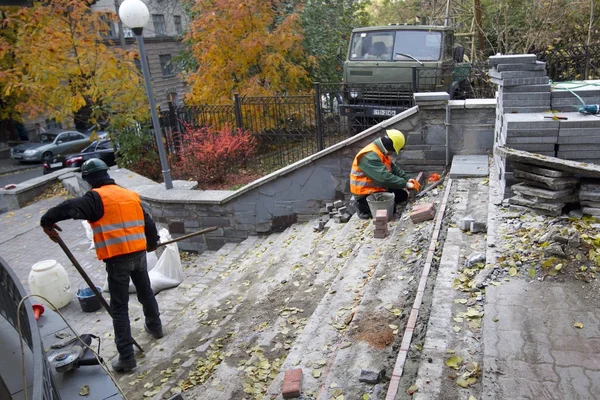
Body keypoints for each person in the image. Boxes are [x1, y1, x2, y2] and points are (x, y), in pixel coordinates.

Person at [40, 158, 163, 372]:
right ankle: (156, 327)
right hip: (139, 254)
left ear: (88, 179)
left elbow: (69, 207)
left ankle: (126, 358)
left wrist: (46, 221)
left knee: (119, 307)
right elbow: (148, 222)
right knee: (145, 292)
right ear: (107, 174)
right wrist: (152, 243)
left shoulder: (95, 198)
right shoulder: (129, 195)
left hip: (118, 260)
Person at [349, 129, 421, 219]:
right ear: (390, 147)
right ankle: (362, 209)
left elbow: (394, 168)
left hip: (377, 188)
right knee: (390, 211)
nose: (393, 153)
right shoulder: (369, 156)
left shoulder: (381, 152)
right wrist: (406, 184)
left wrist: (407, 179)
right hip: (365, 194)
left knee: (402, 195)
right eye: (394, 151)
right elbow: (383, 178)